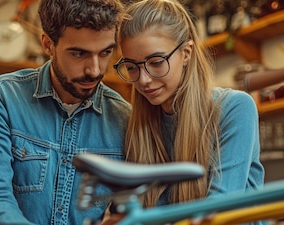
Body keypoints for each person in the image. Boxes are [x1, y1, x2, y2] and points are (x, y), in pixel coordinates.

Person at [0, 0, 130, 224]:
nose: (94, 69)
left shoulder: (125, 118)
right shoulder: (2, 97)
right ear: (48, 44)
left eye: (105, 53)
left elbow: (128, 210)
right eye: (78, 54)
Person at [105, 0, 265, 223]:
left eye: (156, 62)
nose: (143, 80)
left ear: (186, 52)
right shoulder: (140, 128)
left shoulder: (236, 108)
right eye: (132, 67)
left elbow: (217, 210)